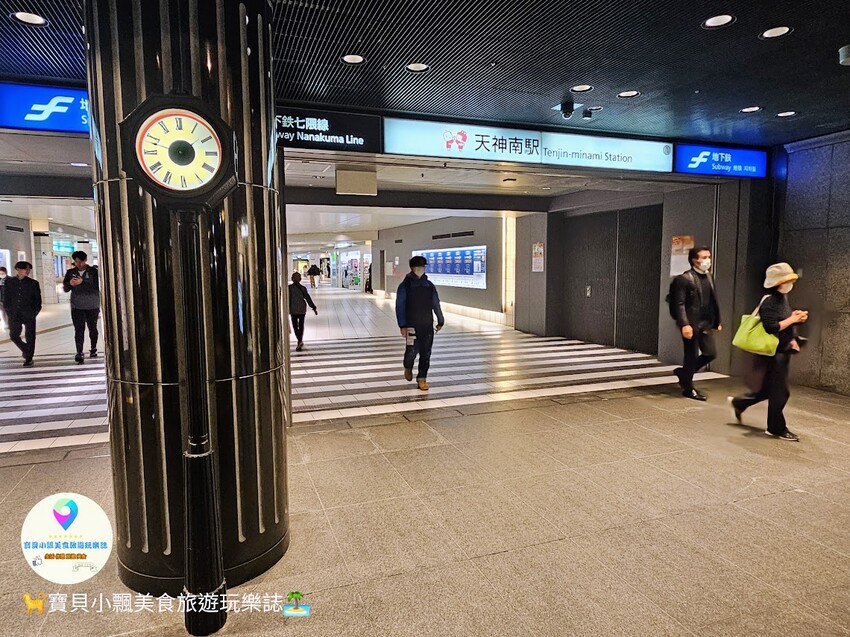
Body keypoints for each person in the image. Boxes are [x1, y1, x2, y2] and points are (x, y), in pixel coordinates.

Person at [729, 263, 807, 442]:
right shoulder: (771, 300)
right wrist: (793, 319)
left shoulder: (782, 298)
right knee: (781, 392)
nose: (791, 283)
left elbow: (783, 324)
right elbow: (771, 327)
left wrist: (795, 322)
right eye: (788, 280)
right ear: (778, 283)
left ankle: (739, 403)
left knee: (767, 390)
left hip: (782, 350)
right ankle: (776, 428)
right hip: (774, 353)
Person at [671, 246, 722, 400]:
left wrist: (716, 322)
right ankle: (688, 388)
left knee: (711, 353)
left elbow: (713, 301)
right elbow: (678, 304)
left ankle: (684, 374)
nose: (708, 260)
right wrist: (684, 324)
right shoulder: (684, 279)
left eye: (709, 257)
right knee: (691, 356)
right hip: (691, 324)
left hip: (706, 323)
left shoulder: (708, 276)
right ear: (694, 260)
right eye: (704, 257)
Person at [396, 256, 444, 391]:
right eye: (418, 267)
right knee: (411, 351)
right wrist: (402, 325)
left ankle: (422, 379)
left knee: (426, 353)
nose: (420, 269)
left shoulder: (429, 285)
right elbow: (400, 306)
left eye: (422, 267)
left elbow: (436, 303)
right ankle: (408, 366)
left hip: (427, 325)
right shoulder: (405, 286)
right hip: (411, 325)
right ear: (412, 268)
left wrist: (440, 320)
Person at [62, 251, 101, 364]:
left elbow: (97, 286)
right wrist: (71, 284)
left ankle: (93, 348)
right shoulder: (70, 272)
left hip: (92, 305)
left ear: (86, 260)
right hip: (77, 305)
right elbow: (65, 288)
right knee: (79, 329)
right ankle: (79, 352)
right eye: (77, 261)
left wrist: (82, 282)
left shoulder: (94, 271)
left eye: (82, 261)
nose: (79, 264)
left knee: (92, 328)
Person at [3, 261, 41, 367]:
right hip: (14, 313)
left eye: (29, 269)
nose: (28, 271)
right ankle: (26, 349)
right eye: (26, 269)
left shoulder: (33, 283)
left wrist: (35, 312)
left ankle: (29, 358)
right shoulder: (10, 282)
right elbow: (6, 298)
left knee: (30, 336)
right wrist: (9, 310)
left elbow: (38, 300)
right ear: (18, 269)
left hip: (29, 314)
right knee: (14, 335)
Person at [288, 272, 317, 352]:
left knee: (295, 326)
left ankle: (299, 340)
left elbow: (288, 299)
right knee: (301, 325)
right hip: (301, 309)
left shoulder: (289, 288)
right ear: (300, 279)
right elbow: (307, 298)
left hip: (293, 310)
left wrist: (287, 308)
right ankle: (300, 340)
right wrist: (313, 307)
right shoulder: (303, 288)